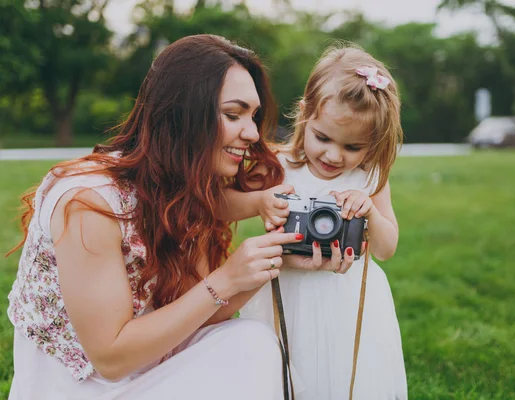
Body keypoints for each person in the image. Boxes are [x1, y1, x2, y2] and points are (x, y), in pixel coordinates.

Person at [6, 34, 303, 400]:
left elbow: (197, 318)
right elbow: (110, 358)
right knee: (250, 347)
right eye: (233, 114)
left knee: (250, 341)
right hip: (80, 387)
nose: (253, 133)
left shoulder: (182, 189)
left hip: (150, 368)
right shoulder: (89, 202)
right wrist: (226, 279)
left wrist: (265, 266)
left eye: (253, 116)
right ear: (182, 114)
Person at [237, 45, 408, 399]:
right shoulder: (278, 166)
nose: (333, 155)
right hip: (287, 292)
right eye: (323, 137)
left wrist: (369, 211)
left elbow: (387, 248)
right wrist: (261, 203)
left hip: (349, 298)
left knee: (345, 377)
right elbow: (225, 205)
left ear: (372, 144)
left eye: (353, 147)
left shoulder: (370, 176)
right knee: (286, 375)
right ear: (305, 115)